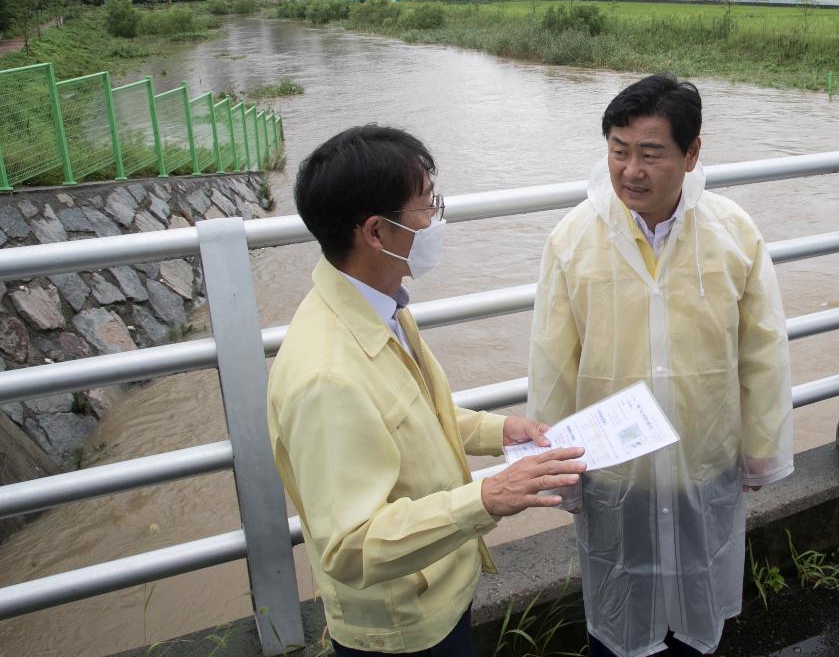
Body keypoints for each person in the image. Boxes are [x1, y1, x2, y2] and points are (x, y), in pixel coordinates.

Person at [267, 125, 586, 657]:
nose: (436, 218)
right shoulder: (325, 376)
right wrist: (488, 496)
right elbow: (350, 545)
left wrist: (498, 430)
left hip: (438, 592)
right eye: (425, 205)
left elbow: (409, 413)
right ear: (376, 231)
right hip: (401, 629)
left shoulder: (378, 304)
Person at [528, 74, 794, 657]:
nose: (630, 171)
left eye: (651, 154)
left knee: (696, 619)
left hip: (703, 463)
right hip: (615, 473)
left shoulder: (731, 233)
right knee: (620, 613)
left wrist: (763, 447)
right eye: (619, 151)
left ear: (692, 153)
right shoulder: (575, 237)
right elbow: (553, 363)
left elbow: (763, 349)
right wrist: (554, 468)